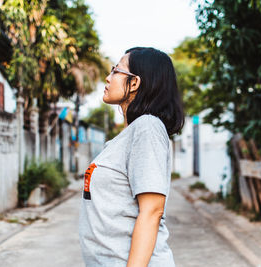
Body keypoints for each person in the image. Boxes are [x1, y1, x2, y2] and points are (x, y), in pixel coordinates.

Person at [78, 47, 185, 267]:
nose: (108, 78)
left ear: (134, 83)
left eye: (116, 70)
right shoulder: (127, 136)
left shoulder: (148, 128)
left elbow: (152, 210)